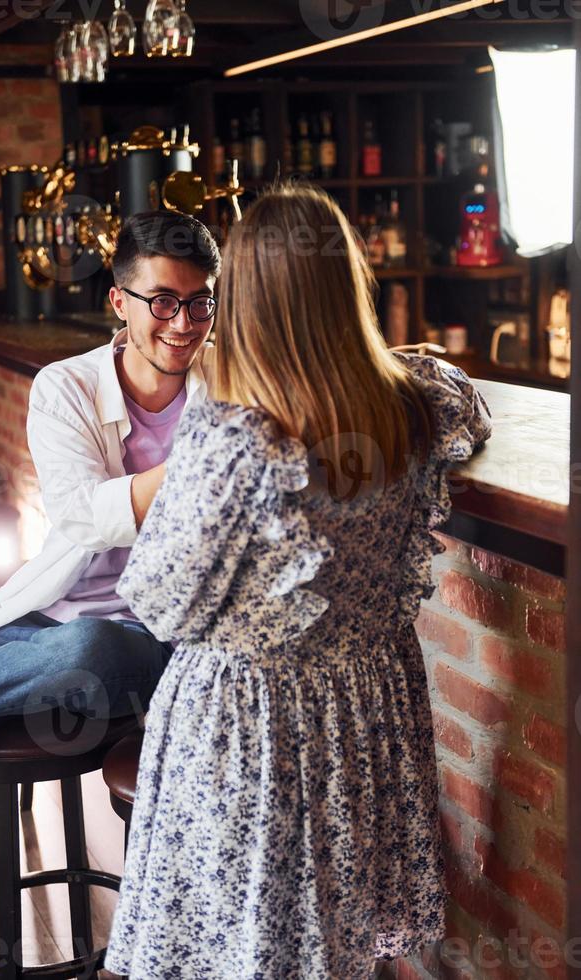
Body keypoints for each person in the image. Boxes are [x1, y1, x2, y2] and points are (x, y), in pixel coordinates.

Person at [104, 184, 493, 980]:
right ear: (347, 285)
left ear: (245, 299)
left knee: (247, 949)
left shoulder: (236, 432)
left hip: (253, 727)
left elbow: (157, 597)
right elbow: (468, 401)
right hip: (366, 713)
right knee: (330, 948)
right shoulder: (412, 409)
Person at [0, 209, 221, 976]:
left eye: (199, 302)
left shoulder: (231, 385)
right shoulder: (66, 386)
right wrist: (209, 465)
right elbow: (83, 516)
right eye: (162, 300)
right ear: (118, 302)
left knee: (89, 647)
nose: (182, 323)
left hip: (158, 632)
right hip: (48, 616)